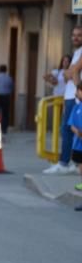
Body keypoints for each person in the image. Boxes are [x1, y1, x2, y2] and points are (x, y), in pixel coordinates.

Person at [44, 26, 82, 175]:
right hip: (70, 96)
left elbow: (72, 72)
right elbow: (67, 74)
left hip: (74, 96)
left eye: (79, 35)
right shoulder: (76, 52)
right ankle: (74, 162)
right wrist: (69, 73)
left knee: (67, 130)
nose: (75, 38)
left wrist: (71, 75)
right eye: (74, 35)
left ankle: (64, 163)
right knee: (71, 130)